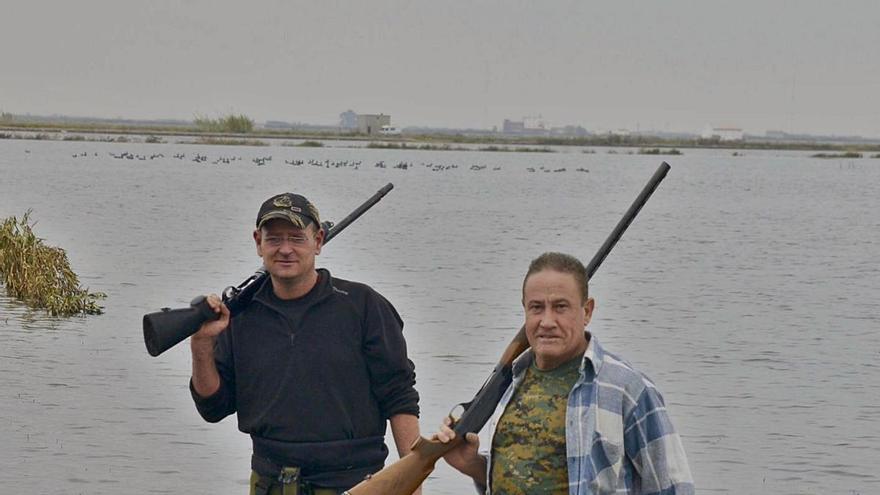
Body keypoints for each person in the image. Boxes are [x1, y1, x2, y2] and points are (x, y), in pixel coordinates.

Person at [190, 192, 421, 495]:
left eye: (297, 238)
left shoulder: (363, 306)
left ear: (319, 241)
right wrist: (201, 343)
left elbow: (399, 396)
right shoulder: (240, 317)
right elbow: (213, 407)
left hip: (355, 484)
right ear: (258, 242)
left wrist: (412, 481)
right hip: (269, 484)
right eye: (274, 239)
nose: (285, 249)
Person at [435, 252, 693, 494]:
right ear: (524, 310)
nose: (547, 321)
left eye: (560, 307)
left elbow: (674, 487)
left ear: (587, 311)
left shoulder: (628, 389)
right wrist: (472, 465)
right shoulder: (511, 383)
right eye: (537, 307)